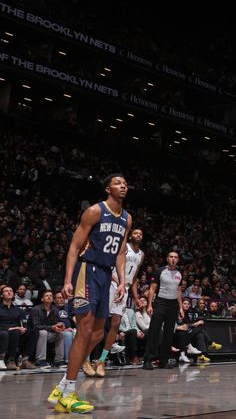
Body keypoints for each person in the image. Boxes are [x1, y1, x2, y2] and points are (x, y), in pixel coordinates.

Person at [49, 174, 132, 414]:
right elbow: (74, 246)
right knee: (84, 330)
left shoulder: (127, 219)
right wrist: (67, 279)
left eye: (125, 183)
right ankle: (68, 394)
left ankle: (63, 385)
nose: (123, 185)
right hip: (88, 270)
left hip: (106, 275)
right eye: (118, 183)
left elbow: (120, 254)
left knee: (97, 332)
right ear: (108, 188)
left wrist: (123, 282)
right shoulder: (95, 211)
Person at [93, 227, 144, 376]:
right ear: (130, 236)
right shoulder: (123, 247)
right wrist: (119, 282)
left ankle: (102, 360)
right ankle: (88, 357)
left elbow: (134, 278)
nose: (138, 235)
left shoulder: (141, 254)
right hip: (113, 283)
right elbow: (110, 266)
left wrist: (135, 297)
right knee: (102, 321)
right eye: (135, 233)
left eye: (140, 234)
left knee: (116, 323)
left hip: (125, 287)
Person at [143, 251, 184, 370]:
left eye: (175, 257)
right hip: (160, 303)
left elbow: (179, 291)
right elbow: (152, 289)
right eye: (171, 256)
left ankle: (164, 360)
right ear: (167, 259)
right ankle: (148, 360)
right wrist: (150, 305)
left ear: (177, 260)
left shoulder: (179, 274)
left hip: (173, 305)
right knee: (154, 332)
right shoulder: (159, 271)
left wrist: (180, 307)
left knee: (168, 334)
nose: (173, 259)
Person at [30, 290, 66, 368]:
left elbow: (56, 323)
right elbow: (36, 326)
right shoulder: (36, 309)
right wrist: (52, 327)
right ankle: (40, 360)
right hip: (34, 334)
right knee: (43, 332)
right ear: (42, 299)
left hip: (49, 333)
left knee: (61, 333)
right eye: (47, 295)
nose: (49, 297)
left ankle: (59, 360)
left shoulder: (55, 310)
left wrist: (59, 326)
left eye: (50, 296)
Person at [1, 283, 26, 370]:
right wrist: (9, 328)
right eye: (6, 291)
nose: (9, 292)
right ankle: (5, 359)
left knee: (34, 331)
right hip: (2, 331)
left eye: (11, 291)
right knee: (6, 333)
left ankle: (25, 359)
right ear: (1, 295)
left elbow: (22, 323)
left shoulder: (18, 310)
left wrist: (23, 328)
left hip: (15, 331)